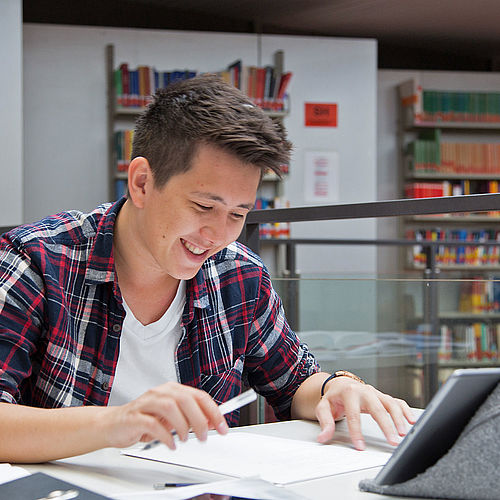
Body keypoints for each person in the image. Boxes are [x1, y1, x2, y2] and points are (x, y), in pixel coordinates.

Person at [0, 74, 414, 463]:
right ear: (142, 183)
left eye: (238, 214)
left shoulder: (240, 275)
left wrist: (336, 388)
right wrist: (115, 423)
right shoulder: (37, 261)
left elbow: (293, 384)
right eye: (203, 206)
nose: (217, 235)